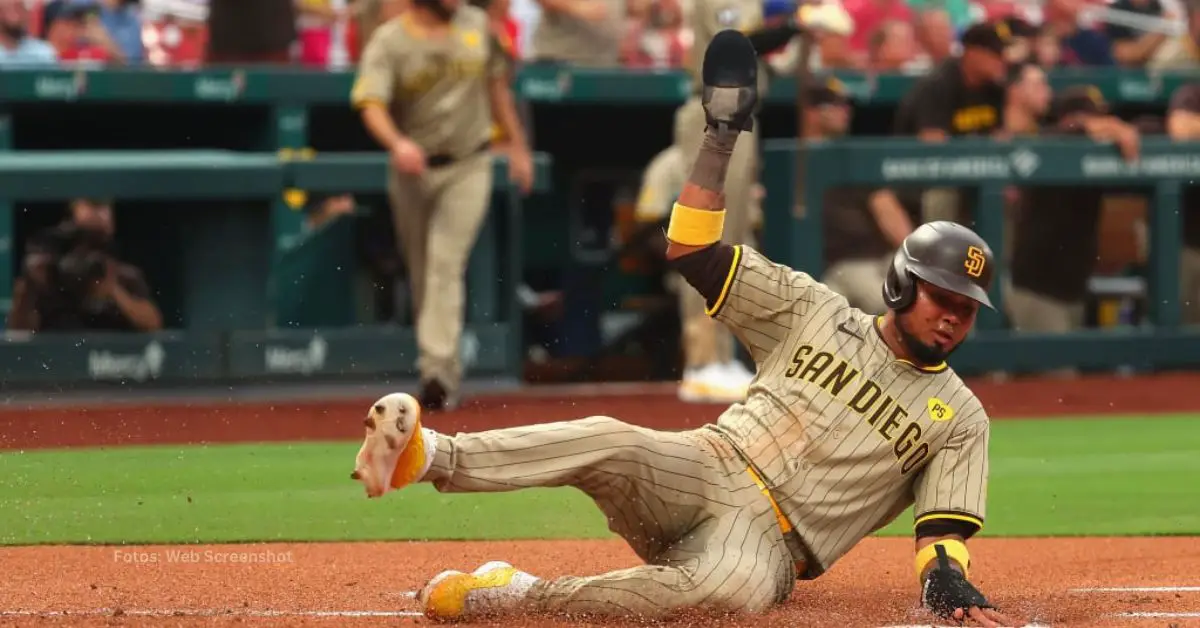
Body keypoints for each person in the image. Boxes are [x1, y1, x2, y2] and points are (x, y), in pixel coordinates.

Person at [352, 30, 1020, 627]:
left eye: (965, 309)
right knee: (607, 436)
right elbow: (692, 250)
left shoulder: (958, 416)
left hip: (772, 545)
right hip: (705, 464)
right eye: (942, 297)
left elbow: (942, 529)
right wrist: (721, 136)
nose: (952, 316)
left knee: (722, 593)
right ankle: (431, 456)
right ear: (903, 284)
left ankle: (515, 596)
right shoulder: (813, 309)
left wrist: (944, 575)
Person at [351, 0, 534, 411]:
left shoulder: (477, 26)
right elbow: (371, 103)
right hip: (414, 169)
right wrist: (397, 143)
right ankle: (440, 366)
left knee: (444, 263)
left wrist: (518, 147)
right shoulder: (391, 40)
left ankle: (438, 373)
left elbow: (496, 88)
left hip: (470, 161)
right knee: (421, 270)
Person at [671, 0, 853, 404]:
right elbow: (735, 44)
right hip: (714, 114)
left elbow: (763, 57)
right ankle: (701, 362)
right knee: (702, 236)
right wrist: (795, 22)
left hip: (738, 112)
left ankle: (720, 355)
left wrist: (800, 32)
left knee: (732, 239)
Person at [894, 21, 1011, 226]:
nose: (1002, 60)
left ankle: (1000, 257)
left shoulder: (994, 89)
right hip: (920, 176)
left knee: (1004, 191)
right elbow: (933, 146)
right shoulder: (938, 84)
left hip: (974, 172)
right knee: (943, 192)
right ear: (972, 53)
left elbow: (1001, 137)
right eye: (996, 54)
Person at [7, 198, 163, 333]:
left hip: (111, 361)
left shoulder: (119, 274)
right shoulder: (50, 276)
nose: (85, 259)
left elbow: (153, 324)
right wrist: (28, 291)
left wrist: (115, 292)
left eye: (93, 248)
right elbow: (18, 334)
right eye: (79, 247)